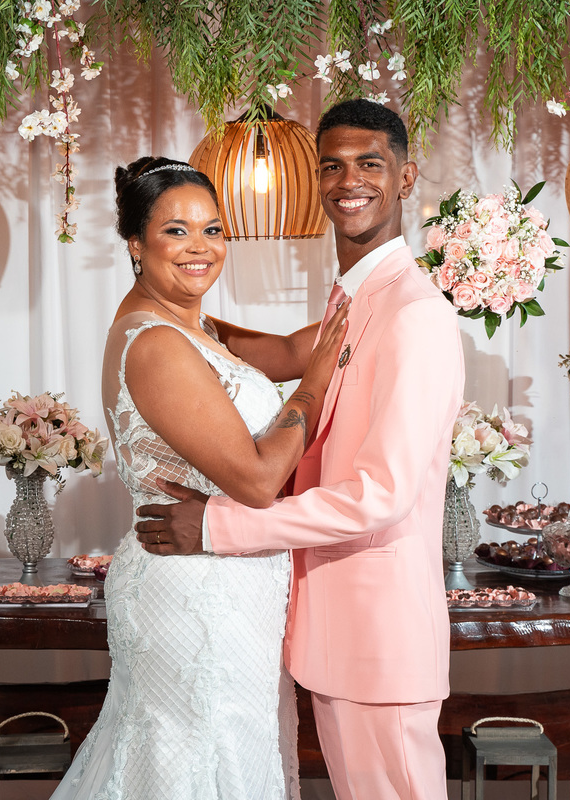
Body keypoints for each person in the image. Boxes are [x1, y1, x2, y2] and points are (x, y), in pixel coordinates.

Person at [135, 99, 465, 800]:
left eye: (370, 163)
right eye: (333, 167)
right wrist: (158, 306)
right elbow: (279, 354)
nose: (350, 181)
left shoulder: (416, 315)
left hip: (380, 643)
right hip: (332, 637)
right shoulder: (355, 298)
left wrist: (220, 526)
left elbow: (380, 496)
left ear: (406, 179)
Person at [50, 156, 349, 800]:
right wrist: (317, 385)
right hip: (191, 586)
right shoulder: (155, 341)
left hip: (233, 579)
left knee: (227, 753)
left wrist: (396, 283)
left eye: (213, 230)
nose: (201, 248)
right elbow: (259, 478)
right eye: (176, 231)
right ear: (135, 244)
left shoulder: (199, 327)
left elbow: (297, 350)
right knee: (193, 760)